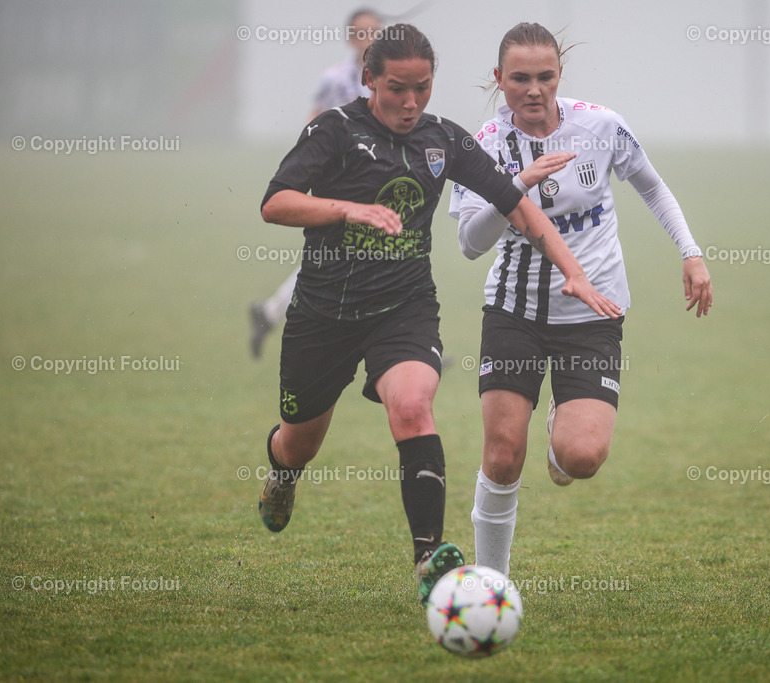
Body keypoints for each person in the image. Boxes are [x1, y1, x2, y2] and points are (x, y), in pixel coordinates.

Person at [255, 23, 621, 604]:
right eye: (397, 88)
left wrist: (572, 269)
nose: (410, 102)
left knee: (412, 402)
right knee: (300, 442)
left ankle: (429, 558)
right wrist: (349, 210)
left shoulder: (441, 139)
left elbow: (516, 204)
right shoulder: (333, 131)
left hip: (403, 309)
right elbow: (275, 203)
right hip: (323, 315)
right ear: (369, 79)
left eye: (422, 88)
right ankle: (281, 470)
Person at [448, 22, 713, 576]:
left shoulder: (601, 125)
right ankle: (492, 584)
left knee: (582, 457)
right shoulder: (485, 146)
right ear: (499, 80)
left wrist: (690, 251)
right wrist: (514, 185)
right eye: (519, 78)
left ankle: (559, 432)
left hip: (594, 314)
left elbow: (652, 186)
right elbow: (471, 244)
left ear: (560, 75)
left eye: (545, 76)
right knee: (500, 455)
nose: (534, 89)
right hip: (513, 312)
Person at [249, 8, 384, 358]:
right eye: (362, 32)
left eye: (376, 31)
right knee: (338, 256)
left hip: (377, 180)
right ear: (350, 37)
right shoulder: (334, 79)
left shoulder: (388, 75)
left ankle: (407, 344)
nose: (369, 38)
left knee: (375, 255)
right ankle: (401, 345)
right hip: (342, 185)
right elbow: (312, 124)